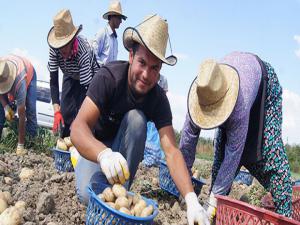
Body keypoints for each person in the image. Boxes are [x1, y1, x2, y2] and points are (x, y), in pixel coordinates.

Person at [71, 14, 210, 225]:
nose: (146, 74)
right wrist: (104, 155)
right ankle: (82, 158)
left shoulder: (158, 99)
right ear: (131, 57)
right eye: (142, 63)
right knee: (85, 197)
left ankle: (121, 191)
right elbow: (78, 128)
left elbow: (171, 151)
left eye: (154, 68)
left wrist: (191, 199)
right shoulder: (109, 77)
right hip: (97, 147)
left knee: (137, 119)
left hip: (123, 149)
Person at [179, 51, 292, 221]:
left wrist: (212, 202)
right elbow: (186, 145)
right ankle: (217, 213)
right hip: (237, 82)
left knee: (271, 152)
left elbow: (234, 153)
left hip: (264, 86)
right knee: (220, 159)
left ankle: (285, 215)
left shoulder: (239, 103)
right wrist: (186, 191)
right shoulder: (201, 96)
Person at [47, 9, 99, 137]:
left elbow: (86, 89)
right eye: (59, 45)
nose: (62, 50)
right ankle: (64, 142)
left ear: (72, 40)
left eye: (65, 45)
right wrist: (56, 111)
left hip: (89, 78)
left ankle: (83, 144)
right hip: (70, 74)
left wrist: (81, 115)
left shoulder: (83, 51)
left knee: (82, 117)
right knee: (65, 113)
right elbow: (54, 81)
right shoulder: (54, 50)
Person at [0, 55, 37, 154]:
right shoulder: (1, 69)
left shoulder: (20, 82)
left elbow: (21, 115)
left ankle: (30, 144)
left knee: (31, 109)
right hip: (10, 73)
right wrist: (6, 107)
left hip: (29, 73)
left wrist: (20, 144)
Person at [143, 74, 168, 167]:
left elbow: (164, 97)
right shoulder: (147, 76)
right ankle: (144, 155)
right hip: (146, 109)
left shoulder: (163, 79)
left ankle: (151, 157)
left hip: (156, 111)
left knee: (153, 134)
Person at [91, 0, 127, 66]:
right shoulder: (102, 33)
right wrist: (102, 69)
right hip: (101, 74)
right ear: (112, 17)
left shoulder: (115, 39)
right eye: (119, 18)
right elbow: (93, 52)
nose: (121, 21)